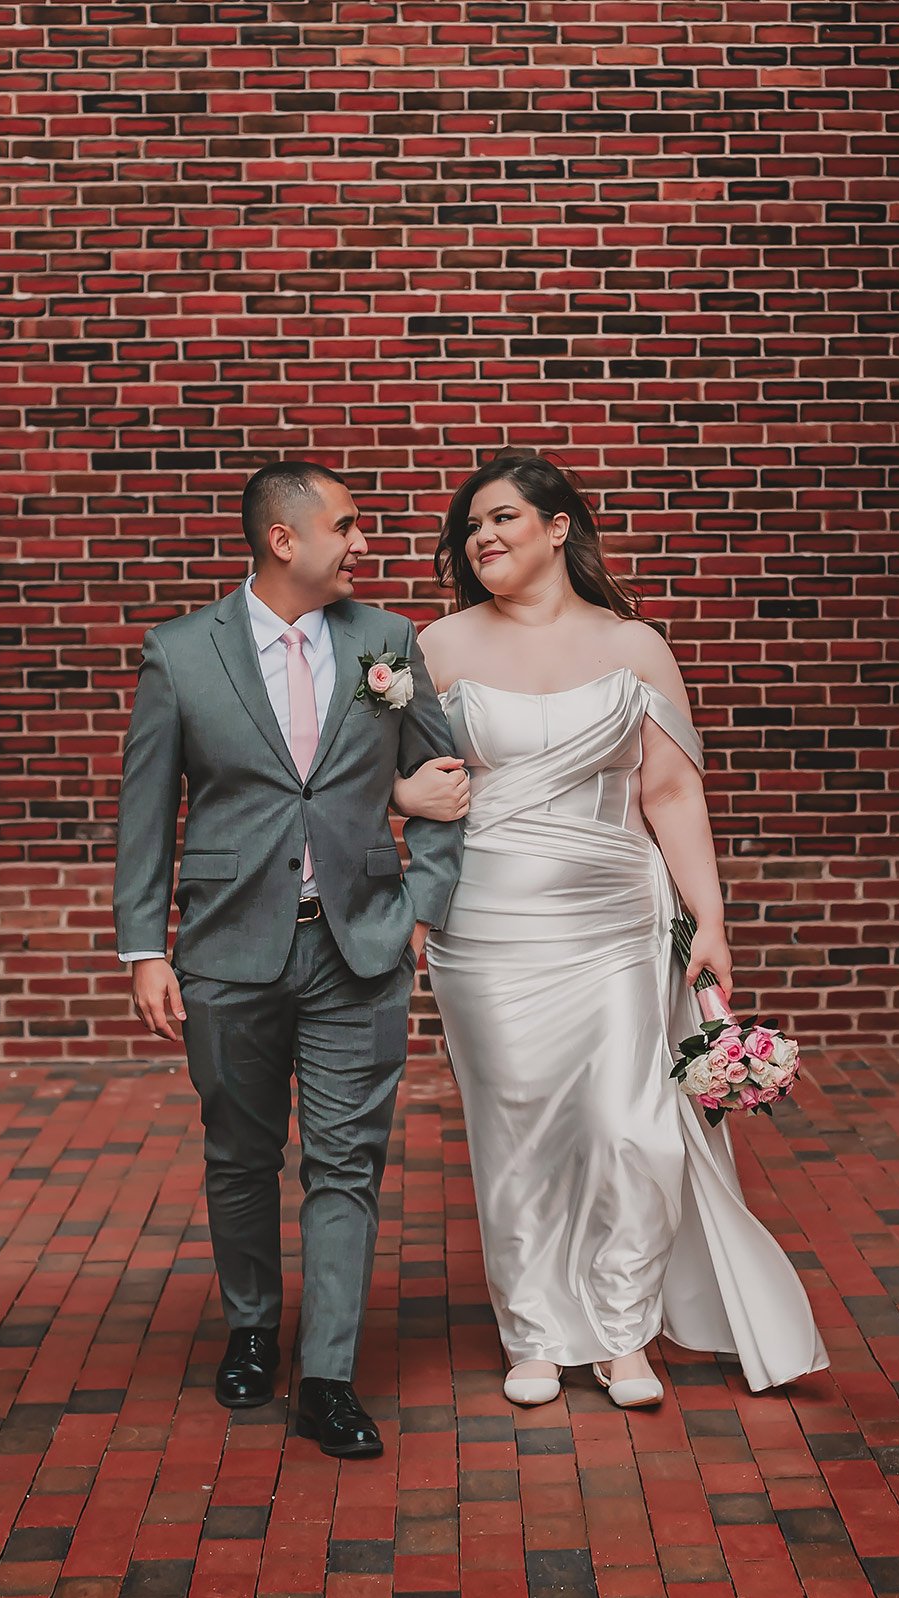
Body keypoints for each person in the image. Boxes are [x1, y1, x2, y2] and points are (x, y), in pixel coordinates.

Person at [394, 451, 827, 1407]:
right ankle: (539, 1333)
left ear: (558, 527)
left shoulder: (636, 647)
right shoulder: (437, 646)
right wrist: (399, 795)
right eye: (471, 527)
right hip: (488, 925)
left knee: (634, 1130)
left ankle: (624, 1332)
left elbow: (669, 790)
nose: (483, 537)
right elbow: (379, 781)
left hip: (619, 920)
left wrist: (708, 919)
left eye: (503, 517)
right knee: (517, 1131)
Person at [114, 461, 469, 1458]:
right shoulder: (181, 653)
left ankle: (328, 1378)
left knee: (347, 1163)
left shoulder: (385, 644)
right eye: (346, 526)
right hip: (226, 946)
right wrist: (146, 948)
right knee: (239, 1153)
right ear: (284, 540)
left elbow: (438, 780)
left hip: (359, 943)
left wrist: (419, 909)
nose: (362, 543)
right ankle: (252, 1326)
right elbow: (145, 812)